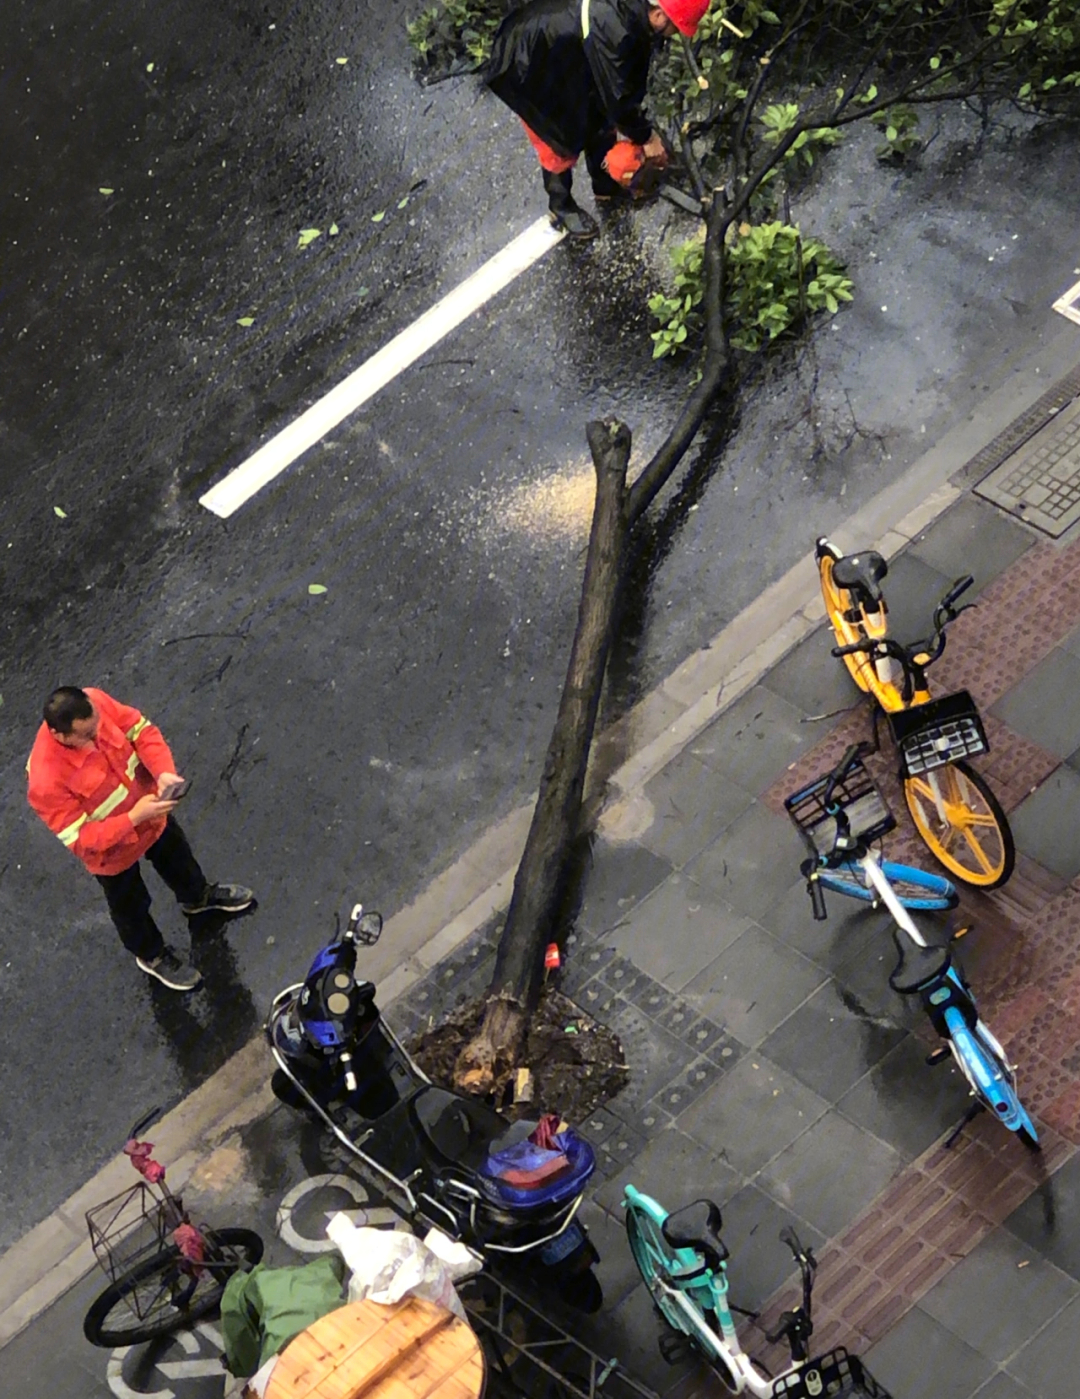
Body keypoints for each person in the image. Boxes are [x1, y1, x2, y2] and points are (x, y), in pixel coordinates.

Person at [26, 686, 254, 992]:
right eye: (86, 736)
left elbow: (140, 730)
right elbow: (83, 839)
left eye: (97, 727)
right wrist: (134, 817)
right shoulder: (45, 780)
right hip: (113, 852)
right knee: (130, 907)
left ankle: (198, 899)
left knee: (178, 859)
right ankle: (152, 956)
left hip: (151, 813)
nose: (96, 738)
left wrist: (163, 773)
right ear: (60, 735)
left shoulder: (96, 699)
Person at [486, 0, 710, 239]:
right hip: (527, 60)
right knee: (558, 135)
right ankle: (561, 206)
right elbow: (619, 100)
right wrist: (648, 137)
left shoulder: (635, 17)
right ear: (657, 15)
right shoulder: (616, 32)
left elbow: (618, 86)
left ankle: (604, 185)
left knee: (598, 117)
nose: (675, 34)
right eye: (675, 27)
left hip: (565, 51)